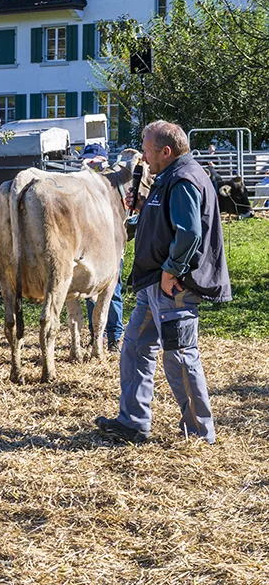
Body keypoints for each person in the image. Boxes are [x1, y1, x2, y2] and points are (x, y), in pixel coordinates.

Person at [95, 120, 232, 445]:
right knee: (136, 346)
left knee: (181, 357)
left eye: (146, 149)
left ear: (165, 151)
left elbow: (189, 234)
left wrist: (172, 270)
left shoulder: (184, 179)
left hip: (174, 288)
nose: (143, 155)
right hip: (152, 286)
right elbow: (169, 223)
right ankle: (133, 422)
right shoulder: (168, 176)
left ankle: (200, 434)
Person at [80, 142, 123, 353]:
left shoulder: (113, 183)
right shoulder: (83, 184)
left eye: (96, 163)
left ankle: (114, 337)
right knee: (90, 293)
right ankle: (96, 335)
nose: (92, 168)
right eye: (88, 163)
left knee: (113, 292)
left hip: (112, 246)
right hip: (92, 247)